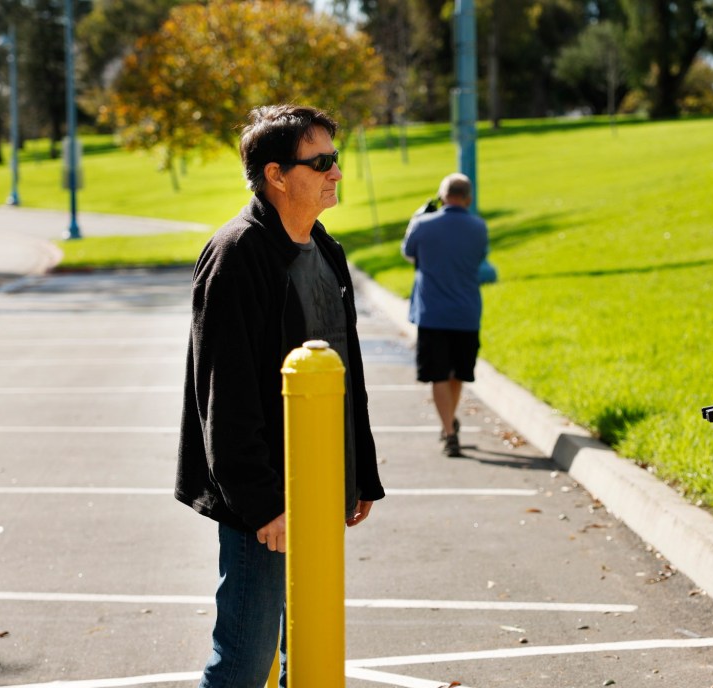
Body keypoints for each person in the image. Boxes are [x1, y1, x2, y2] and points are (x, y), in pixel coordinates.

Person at [175, 104, 385, 688]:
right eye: (320, 163)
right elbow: (224, 391)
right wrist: (263, 504)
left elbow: (348, 374)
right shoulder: (236, 255)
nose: (335, 173)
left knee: (308, 655)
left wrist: (358, 474)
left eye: (334, 160)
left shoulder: (326, 249)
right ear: (275, 174)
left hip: (320, 490)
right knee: (242, 661)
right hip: (266, 506)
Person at [402, 173, 489, 457]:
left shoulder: (423, 225)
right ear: (469, 198)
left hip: (432, 313)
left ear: (442, 197)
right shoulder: (479, 228)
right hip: (466, 312)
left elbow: (409, 253)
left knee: (438, 374)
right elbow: (477, 259)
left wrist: (417, 218)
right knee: (457, 372)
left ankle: (449, 431)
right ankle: (449, 421)